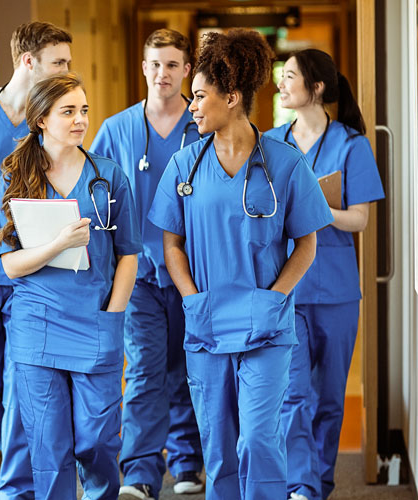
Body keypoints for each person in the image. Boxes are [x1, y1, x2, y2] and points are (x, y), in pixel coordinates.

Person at [147, 30, 334, 499]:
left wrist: (275, 297)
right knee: (219, 446)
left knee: (259, 439)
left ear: (232, 98)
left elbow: (307, 243)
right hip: (207, 322)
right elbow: (172, 245)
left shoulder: (286, 164)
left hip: (265, 326)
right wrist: (192, 299)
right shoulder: (185, 166)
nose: (191, 106)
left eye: (200, 96)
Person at [0, 73, 141, 499]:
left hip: (95, 320)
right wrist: (57, 244)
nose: (80, 120)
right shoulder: (14, 176)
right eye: (68, 111)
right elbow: (10, 266)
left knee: (97, 440)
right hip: (37, 323)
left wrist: (114, 316)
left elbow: (128, 253)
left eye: (84, 110)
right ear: (41, 119)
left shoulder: (108, 176)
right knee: (49, 445)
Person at [265, 49, 385, 500]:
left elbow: (359, 220)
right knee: (292, 394)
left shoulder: (351, 145)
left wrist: (319, 209)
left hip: (335, 291)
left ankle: (320, 482)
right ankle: (302, 486)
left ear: (316, 87)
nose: (281, 84)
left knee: (330, 399)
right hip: (287, 288)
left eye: (290, 76)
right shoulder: (272, 144)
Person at [0, 21, 72, 499]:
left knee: (23, 384)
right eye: (59, 62)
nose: (68, 71)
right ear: (29, 62)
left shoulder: (52, 116)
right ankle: (39, 457)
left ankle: (18, 486)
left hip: (30, 271)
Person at [91, 28, 204, 499]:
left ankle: (187, 461)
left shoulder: (203, 126)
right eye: (155, 64)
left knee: (188, 367)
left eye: (173, 65)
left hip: (193, 272)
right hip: (137, 274)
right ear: (143, 68)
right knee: (144, 370)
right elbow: (93, 191)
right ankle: (138, 471)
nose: (163, 74)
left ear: (187, 71)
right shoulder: (117, 129)